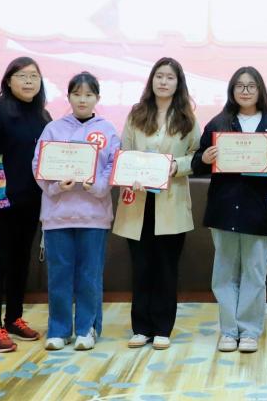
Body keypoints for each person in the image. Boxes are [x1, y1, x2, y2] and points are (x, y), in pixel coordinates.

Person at [191, 67, 267, 354]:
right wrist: (205, 157)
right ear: (232, 90)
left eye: (251, 86)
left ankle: (249, 331)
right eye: (239, 86)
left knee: (254, 273)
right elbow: (198, 163)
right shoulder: (218, 123)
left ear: (260, 90)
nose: (245, 91)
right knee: (224, 274)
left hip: (258, 210)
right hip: (224, 208)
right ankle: (228, 330)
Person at [112, 57, 201, 351]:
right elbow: (124, 151)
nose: (163, 82)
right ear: (151, 80)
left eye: (170, 77)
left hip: (170, 201)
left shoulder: (187, 117)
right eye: (159, 76)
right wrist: (129, 174)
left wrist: (178, 166)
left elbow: (198, 155)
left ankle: (162, 328)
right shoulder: (136, 113)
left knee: (166, 267)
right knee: (141, 267)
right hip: (137, 200)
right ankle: (141, 328)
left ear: (178, 83)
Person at [33, 71, 119, 351]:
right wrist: (57, 186)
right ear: (68, 97)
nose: (82, 100)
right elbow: (38, 166)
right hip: (57, 216)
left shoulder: (108, 130)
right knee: (59, 275)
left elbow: (112, 166)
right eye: (77, 94)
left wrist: (97, 186)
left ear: (97, 98)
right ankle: (59, 331)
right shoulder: (53, 129)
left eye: (88, 94)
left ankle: (87, 329)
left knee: (89, 276)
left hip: (94, 216)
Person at [0, 56, 52, 352]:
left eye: (34, 76)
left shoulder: (44, 116)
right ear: (8, 80)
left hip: (31, 202)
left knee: (20, 262)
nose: (29, 81)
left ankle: (14, 318)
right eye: (22, 76)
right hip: (0, 203)